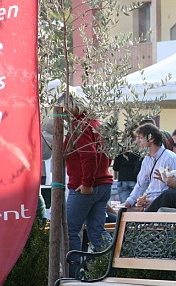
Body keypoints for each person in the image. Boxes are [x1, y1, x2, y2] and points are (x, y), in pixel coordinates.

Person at [61, 91, 113, 277]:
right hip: (103, 184)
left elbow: (89, 154)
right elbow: (107, 153)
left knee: (70, 231)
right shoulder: (94, 123)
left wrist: (87, 183)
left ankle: (74, 275)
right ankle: (113, 267)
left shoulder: (79, 125)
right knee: (97, 232)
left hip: (85, 187)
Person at [123, 123, 176, 210]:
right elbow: (141, 185)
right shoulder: (147, 159)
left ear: (151, 139)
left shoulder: (170, 158)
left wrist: (155, 202)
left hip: (164, 207)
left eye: (140, 138)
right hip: (148, 205)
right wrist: (128, 202)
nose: (136, 141)